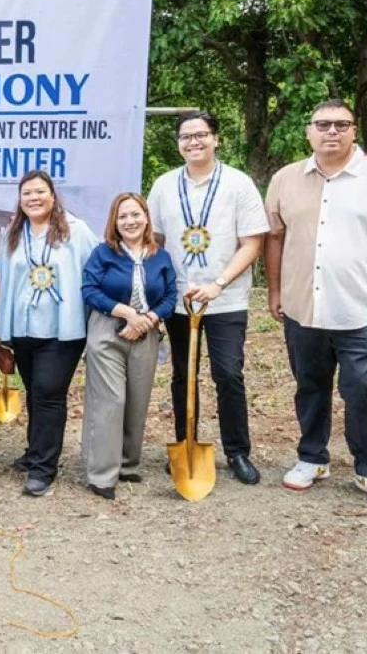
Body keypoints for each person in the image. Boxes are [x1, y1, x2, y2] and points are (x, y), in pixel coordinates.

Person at [265, 99, 367, 509]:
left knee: (364, 391)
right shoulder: (285, 179)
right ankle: (311, 458)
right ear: (309, 132)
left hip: (364, 311)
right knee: (310, 387)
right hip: (303, 308)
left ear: (354, 130)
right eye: (322, 124)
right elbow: (275, 239)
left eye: (341, 124)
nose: (331, 132)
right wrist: (275, 290)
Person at [146, 111, 269, 485]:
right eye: (186, 137)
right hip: (181, 300)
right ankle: (185, 443)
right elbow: (156, 241)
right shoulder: (164, 186)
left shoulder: (238, 184)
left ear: (216, 139)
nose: (193, 142)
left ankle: (237, 451)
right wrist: (162, 287)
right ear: (178, 143)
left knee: (228, 373)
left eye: (201, 135)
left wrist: (218, 283)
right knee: (184, 374)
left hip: (225, 298)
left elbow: (253, 243)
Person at [0, 170, 98, 497]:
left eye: (40, 192)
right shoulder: (13, 233)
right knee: (34, 392)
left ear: (53, 196)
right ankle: (34, 452)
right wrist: (3, 331)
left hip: (62, 329)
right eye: (27, 193)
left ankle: (44, 469)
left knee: (49, 392)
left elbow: (95, 269)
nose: (34, 198)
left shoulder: (76, 231)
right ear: (20, 199)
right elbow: (4, 280)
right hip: (24, 329)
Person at [81, 193, 178, 499]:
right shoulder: (103, 254)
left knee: (137, 400)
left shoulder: (160, 256)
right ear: (114, 222)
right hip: (108, 330)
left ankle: (127, 463)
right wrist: (126, 313)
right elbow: (89, 289)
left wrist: (148, 318)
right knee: (111, 401)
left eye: (135, 215)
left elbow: (171, 296)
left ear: (146, 218)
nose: (130, 221)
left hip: (146, 333)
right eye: (123, 216)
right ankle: (101, 474)